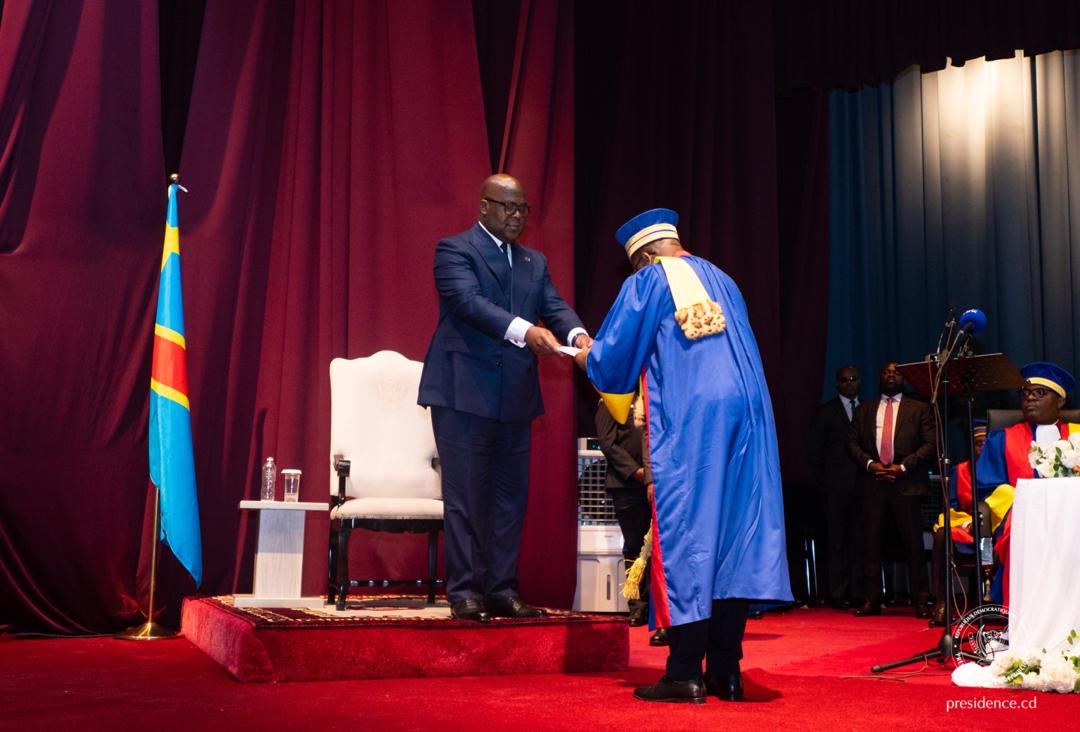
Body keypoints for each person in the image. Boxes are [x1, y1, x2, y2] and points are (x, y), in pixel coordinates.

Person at [575, 208, 792, 704]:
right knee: (734, 536)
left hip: (697, 420)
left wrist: (586, 353)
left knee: (689, 535)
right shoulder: (724, 279)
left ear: (644, 257)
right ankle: (726, 670)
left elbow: (612, 363)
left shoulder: (648, 281)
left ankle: (684, 672)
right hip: (751, 417)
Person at [418, 174, 589, 622]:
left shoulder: (534, 261)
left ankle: (502, 590)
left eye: (522, 209)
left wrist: (579, 336)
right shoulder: (455, 250)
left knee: (509, 500)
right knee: (466, 498)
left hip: (514, 396)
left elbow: (554, 305)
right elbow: (469, 302)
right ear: (484, 207)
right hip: (462, 391)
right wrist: (526, 331)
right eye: (507, 207)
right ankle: (465, 592)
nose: (516, 217)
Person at [975, 362, 1079, 605]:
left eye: (1040, 393)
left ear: (1060, 401)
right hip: (1022, 513)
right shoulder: (1002, 439)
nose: (1030, 398)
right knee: (1021, 528)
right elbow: (988, 485)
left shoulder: (1077, 436)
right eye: (1025, 393)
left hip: (1073, 513)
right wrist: (1028, 504)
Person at [847, 361, 936, 618]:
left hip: (906, 483)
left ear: (904, 378)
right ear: (879, 377)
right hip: (872, 483)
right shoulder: (864, 409)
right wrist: (870, 464)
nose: (890, 375)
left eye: (896, 372)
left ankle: (921, 600)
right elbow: (851, 442)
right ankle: (872, 599)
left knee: (913, 544)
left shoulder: (919, 409)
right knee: (870, 543)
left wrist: (903, 467)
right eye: (886, 372)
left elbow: (930, 443)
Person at [594, 396, 667, 646]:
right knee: (635, 545)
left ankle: (660, 607)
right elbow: (607, 442)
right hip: (626, 483)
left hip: (659, 483)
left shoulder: (653, 395)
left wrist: (652, 475)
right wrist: (637, 472)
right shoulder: (613, 398)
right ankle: (638, 606)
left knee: (660, 548)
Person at [807, 365, 864, 609]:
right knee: (837, 541)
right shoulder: (826, 411)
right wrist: (826, 481)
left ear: (859, 382)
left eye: (853, 379)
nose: (849, 383)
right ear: (837, 384)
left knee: (860, 540)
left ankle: (859, 592)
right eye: (844, 380)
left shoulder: (867, 409)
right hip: (835, 488)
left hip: (863, 487)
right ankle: (838, 594)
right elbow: (814, 451)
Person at [929, 420, 988, 627]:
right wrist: (967, 523)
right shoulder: (961, 470)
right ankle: (942, 602)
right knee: (941, 533)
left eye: (985, 444)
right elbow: (953, 505)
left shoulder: (1000, 467)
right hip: (965, 524)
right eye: (977, 444)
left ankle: (993, 601)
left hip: (992, 525)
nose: (981, 448)